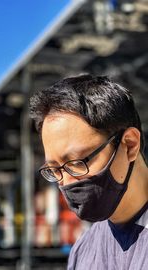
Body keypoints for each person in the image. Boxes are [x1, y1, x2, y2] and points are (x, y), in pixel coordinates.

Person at [29, 74, 148, 269]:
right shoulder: (84, 250)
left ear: (129, 145)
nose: (67, 182)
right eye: (54, 169)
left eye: (77, 162)